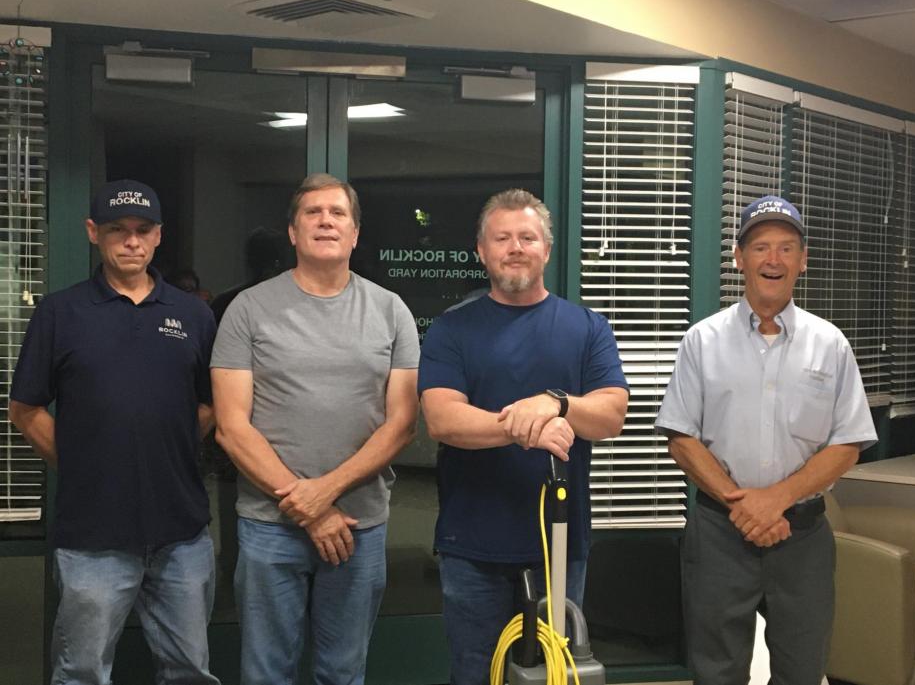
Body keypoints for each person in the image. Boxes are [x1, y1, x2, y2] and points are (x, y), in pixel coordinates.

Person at [654, 195, 878, 685]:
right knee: (716, 672)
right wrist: (745, 506)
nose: (772, 260)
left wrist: (776, 500)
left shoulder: (831, 344)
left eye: (785, 248)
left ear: (803, 258)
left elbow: (849, 443)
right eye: (759, 247)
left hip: (802, 538)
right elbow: (681, 437)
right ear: (739, 258)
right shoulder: (702, 340)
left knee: (803, 671)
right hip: (718, 536)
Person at [210, 173, 419, 685]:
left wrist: (324, 496)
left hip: (359, 527)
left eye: (338, 213)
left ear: (354, 234)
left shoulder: (391, 311)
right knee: (265, 672)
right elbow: (232, 428)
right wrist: (308, 509)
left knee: (343, 671)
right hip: (268, 526)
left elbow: (402, 425)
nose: (326, 220)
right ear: (292, 232)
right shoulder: (248, 309)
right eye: (313, 212)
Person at [9, 179, 219, 685]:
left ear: (158, 236)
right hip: (92, 537)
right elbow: (24, 408)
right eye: (116, 230)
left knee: (189, 670)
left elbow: (213, 403)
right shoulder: (60, 312)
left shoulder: (192, 314)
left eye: (142, 230)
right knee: (82, 672)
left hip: (181, 534)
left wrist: (167, 448)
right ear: (92, 233)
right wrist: (82, 460)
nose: (131, 241)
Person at [419, 189, 629, 685]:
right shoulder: (452, 331)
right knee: (475, 674)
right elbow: (443, 420)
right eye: (502, 238)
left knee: (555, 675)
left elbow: (611, 415)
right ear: (482, 251)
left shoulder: (587, 328)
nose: (515, 247)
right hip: (472, 544)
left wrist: (556, 403)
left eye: (527, 237)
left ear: (546, 250)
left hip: (559, 544)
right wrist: (528, 427)